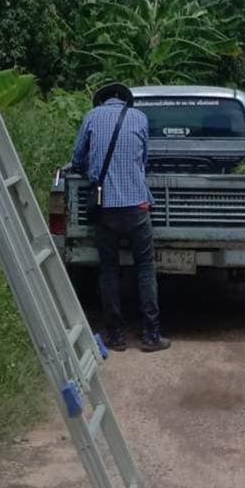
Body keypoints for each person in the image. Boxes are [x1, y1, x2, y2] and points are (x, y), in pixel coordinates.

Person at [70, 81, 170, 353]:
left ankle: (116, 336)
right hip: (137, 206)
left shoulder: (91, 117)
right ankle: (151, 335)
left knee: (109, 270)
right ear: (125, 101)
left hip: (105, 208)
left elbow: (77, 157)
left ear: (101, 101)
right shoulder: (139, 117)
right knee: (146, 267)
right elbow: (144, 160)